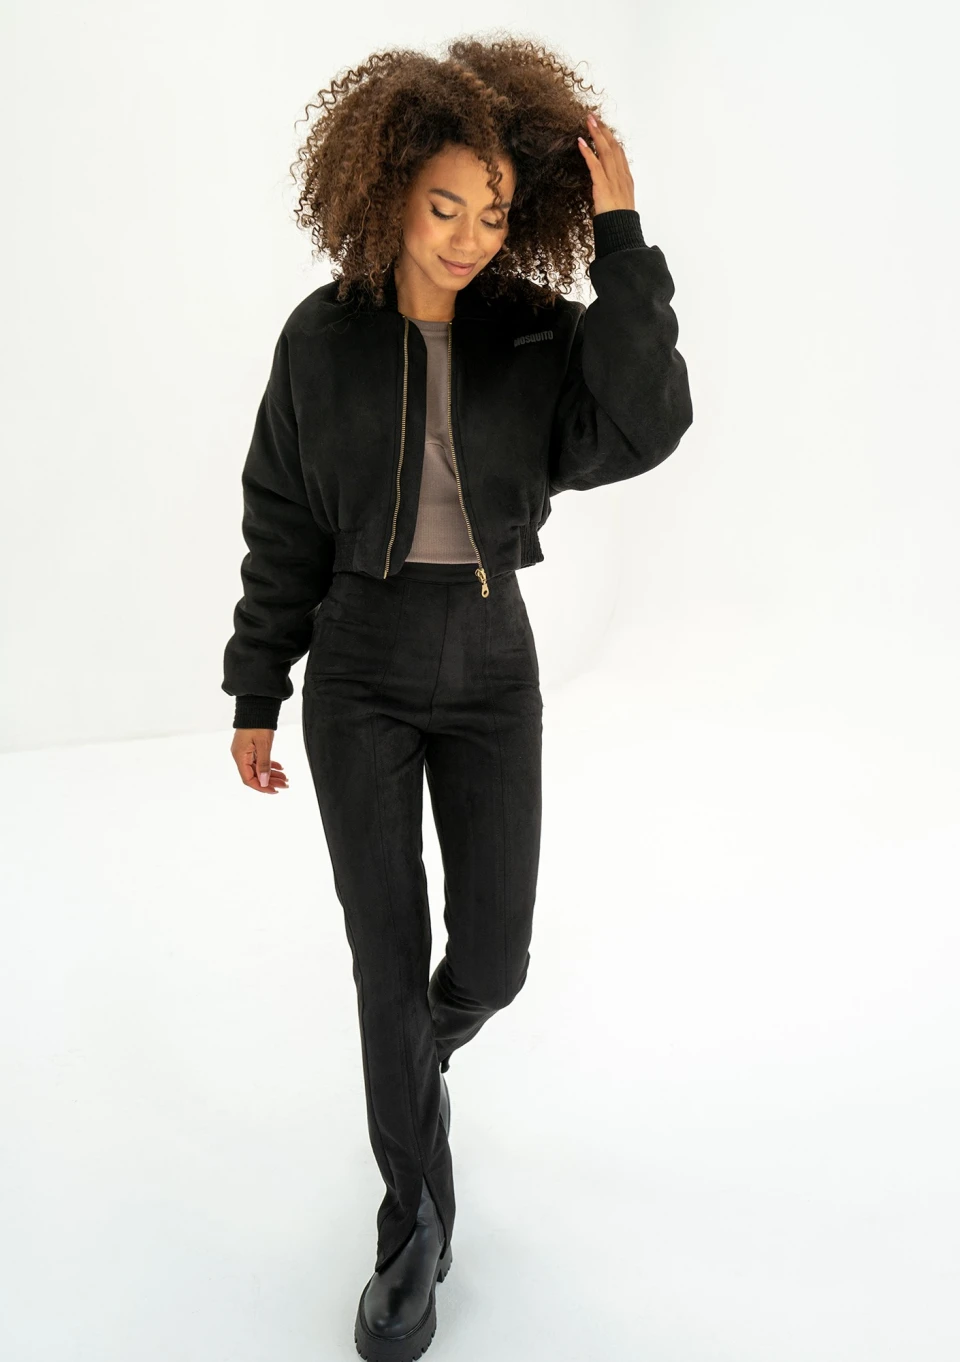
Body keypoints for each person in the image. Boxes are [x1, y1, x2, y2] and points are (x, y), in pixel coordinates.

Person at [222, 37, 693, 1362]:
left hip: (491, 665)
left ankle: (410, 1057)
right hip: (358, 667)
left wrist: (623, 244)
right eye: (445, 207)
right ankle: (412, 1230)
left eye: (493, 214)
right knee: (387, 955)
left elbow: (650, 421)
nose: (471, 238)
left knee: (491, 961)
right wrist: (257, 681)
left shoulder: (535, 333)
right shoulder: (320, 338)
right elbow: (279, 517)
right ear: (386, 192)